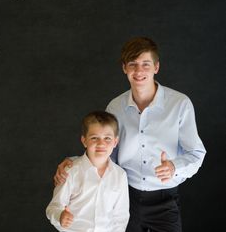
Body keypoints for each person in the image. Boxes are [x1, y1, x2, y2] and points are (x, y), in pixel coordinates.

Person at [53, 37, 206, 232]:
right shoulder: (115, 107)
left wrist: (173, 167)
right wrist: (73, 162)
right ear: (124, 68)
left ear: (156, 67)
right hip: (125, 197)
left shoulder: (180, 104)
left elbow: (196, 153)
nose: (139, 71)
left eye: (145, 64)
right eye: (132, 64)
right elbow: (106, 151)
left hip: (165, 200)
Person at [46, 110, 129, 232]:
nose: (101, 143)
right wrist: (60, 216)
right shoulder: (71, 171)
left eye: (107, 138)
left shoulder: (120, 175)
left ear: (115, 142)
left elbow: (121, 215)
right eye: (94, 138)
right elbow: (53, 207)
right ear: (84, 141)